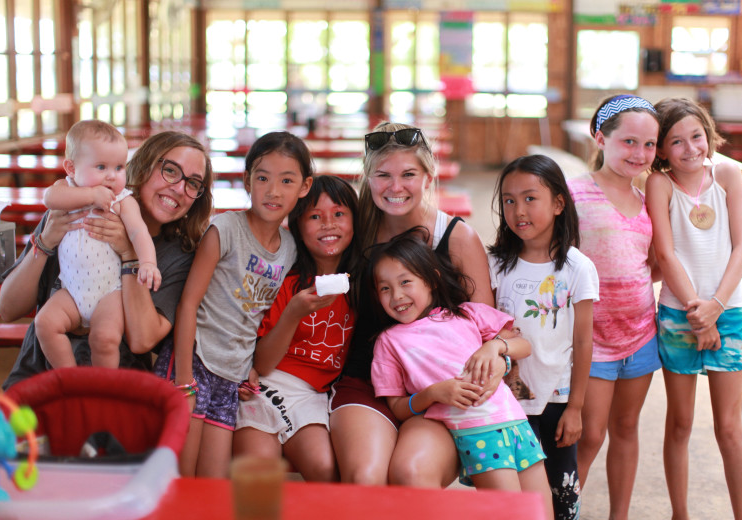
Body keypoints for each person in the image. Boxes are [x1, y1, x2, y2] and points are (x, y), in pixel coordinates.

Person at [329, 122, 502, 487]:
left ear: (428, 175)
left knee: (410, 474)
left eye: (408, 174)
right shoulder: (353, 230)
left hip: (437, 389)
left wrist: (498, 361)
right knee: (365, 477)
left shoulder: (456, 237)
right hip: (368, 383)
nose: (395, 187)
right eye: (383, 175)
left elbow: (489, 328)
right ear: (368, 177)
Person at [0, 130, 214, 389]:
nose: (179, 188)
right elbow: (8, 309)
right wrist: (45, 242)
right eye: (170, 170)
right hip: (39, 373)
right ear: (144, 165)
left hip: (116, 386)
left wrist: (129, 254)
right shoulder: (71, 208)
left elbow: (142, 340)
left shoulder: (180, 254)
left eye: (193, 183)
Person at [155, 131, 313, 479]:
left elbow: (256, 316)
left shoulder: (289, 248)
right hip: (193, 363)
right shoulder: (224, 229)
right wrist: (183, 379)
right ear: (247, 181)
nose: (273, 191)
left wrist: (249, 367)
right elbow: (188, 305)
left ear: (304, 187)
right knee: (180, 476)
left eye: (287, 180)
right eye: (262, 178)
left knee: (212, 481)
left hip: (233, 377)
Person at [369, 228, 553, 517]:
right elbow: (397, 407)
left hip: (516, 423)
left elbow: (523, 345)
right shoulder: (389, 341)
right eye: (385, 288)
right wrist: (432, 394)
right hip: (478, 433)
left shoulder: (467, 314)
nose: (397, 296)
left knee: (541, 514)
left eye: (406, 282)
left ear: (431, 279)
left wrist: (495, 347)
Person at [645, 97, 742, 520]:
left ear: (708, 135)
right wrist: (696, 312)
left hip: (728, 312)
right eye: (676, 141)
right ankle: (680, 513)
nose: (691, 148)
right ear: (661, 150)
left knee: (729, 428)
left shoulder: (727, 174)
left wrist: (716, 307)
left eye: (697, 136)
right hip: (679, 314)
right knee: (681, 423)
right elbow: (666, 254)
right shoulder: (660, 184)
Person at [568, 94, 662, 519]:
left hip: (640, 335)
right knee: (588, 436)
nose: (639, 154)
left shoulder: (649, 200)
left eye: (649, 145)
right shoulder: (571, 195)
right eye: (628, 142)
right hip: (593, 341)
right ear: (600, 137)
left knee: (626, 429)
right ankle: (562, 511)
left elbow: (653, 262)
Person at [488, 155, 598, 519]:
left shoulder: (577, 268)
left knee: (561, 496)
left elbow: (583, 342)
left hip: (557, 400)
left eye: (530, 198)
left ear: (558, 203)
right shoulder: (496, 264)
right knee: (515, 500)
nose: (519, 209)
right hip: (507, 403)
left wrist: (577, 407)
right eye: (509, 199)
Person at [233, 175, 358, 482]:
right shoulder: (287, 283)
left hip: (313, 396)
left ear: (356, 222)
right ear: (297, 228)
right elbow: (262, 364)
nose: (328, 224)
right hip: (263, 388)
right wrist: (292, 314)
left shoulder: (364, 285)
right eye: (315, 217)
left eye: (339, 214)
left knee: (326, 468)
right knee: (257, 476)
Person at [34, 120, 161, 370]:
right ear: (71, 168)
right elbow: (50, 198)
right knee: (45, 324)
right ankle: (69, 379)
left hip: (109, 292)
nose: (111, 176)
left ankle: (104, 386)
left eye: (119, 167)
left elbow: (138, 231)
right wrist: (91, 196)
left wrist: (148, 262)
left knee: (104, 338)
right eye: (101, 167)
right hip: (70, 290)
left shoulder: (122, 201)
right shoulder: (66, 189)